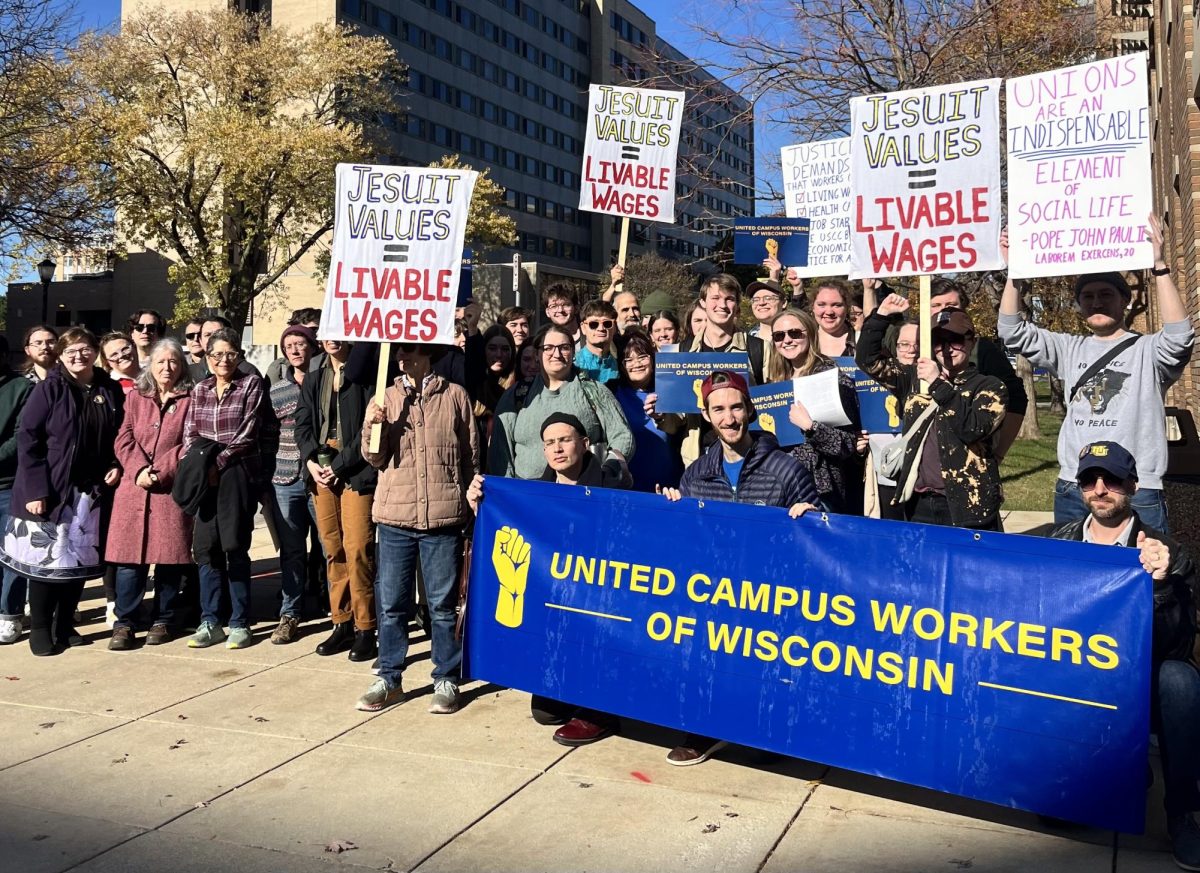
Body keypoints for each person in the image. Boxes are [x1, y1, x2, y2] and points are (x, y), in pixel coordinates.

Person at [1045, 440, 1200, 869]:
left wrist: (1164, 583)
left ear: (1131, 485)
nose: (1100, 489)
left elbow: (1179, 642)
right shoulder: (1059, 542)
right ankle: (1111, 773)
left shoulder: (1166, 550)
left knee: (1180, 681)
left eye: (1111, 479)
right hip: (1077, 675)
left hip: (1140, 674)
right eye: (1089, 480)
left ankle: (1182, 813)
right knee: (1057, 820)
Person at [660, 370, 819, 764]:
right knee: (704, 656)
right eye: (719, 410)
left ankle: (764, 731)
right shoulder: (697, 475)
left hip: (770, 592)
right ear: (706, 414)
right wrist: (669, 509)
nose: (729, 418)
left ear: (749, 409)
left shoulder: (786, 469)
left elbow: (821, 537)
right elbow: (684, 541)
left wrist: (814, 515)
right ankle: (701, 730)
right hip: (715, 590)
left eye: (735, 407)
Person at [997, 218, 1193, 531]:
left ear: (1124, 301)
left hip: (1135, 487)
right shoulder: (1068, 348)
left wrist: (1158, 266)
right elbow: (1012, 332)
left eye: (1106, 294)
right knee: (1073, 572)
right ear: (1079, 305)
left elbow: (1179, 336)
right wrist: (1014, 274)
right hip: (1076, 485)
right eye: (1087, 296)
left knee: (1147, 574)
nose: (1096, 301)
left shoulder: (1148, 350)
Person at [466, 411, 630, 744]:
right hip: (554, 602)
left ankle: (599, 709)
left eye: (565, 440)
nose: (557, 449)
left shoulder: (612, 485)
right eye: (550, 443)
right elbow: (506, 528)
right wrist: (479, 504)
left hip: (597, 603)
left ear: (584, 444)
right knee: (546, 712)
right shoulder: (533, 495)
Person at [356, 342, 479, 714]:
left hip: (443, 516)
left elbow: (470, 453)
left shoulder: (456, 396)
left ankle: (446, 676)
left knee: (442, 606)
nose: (404, 358)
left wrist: (471, 500)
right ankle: (389, 677)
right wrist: (373, 426)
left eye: (411, 351)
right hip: (395, 517)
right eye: (400, 353)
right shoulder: (385, 398)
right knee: (392, 604)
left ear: (429, 355)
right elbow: (374, 458)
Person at [1, 328, 124, 656]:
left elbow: (117, 434)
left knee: (77, 563)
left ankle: (64, 624)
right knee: (46, 564)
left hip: (90, 493)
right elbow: (28, 439)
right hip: (50, 491)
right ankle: (40, 627)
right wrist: (36, 490)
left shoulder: (108, 388)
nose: (78, 356)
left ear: (95, 350)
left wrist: (116, 462)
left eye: (85, 349)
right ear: (61, 355)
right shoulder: (50, 389)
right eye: (71, 351)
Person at [858, 296, 1006, 530]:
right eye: (938, 341)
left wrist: (938, 384)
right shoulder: (913, 379)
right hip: (918, 502)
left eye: (955, 340)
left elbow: (973, 430)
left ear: (971, 341)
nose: (946, 348)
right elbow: (868, 360)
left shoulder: (990, 386)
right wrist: (881, 316)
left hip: (968, 505)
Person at [106, 339, 194, 650]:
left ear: (181, 366)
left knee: (168, 559)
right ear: (150, 366)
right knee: (130, 561)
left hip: (169, 490)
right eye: (160, 362)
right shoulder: (136, 399)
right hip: (134, 488)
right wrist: (140, 469)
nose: (167, 367)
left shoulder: (191, 399)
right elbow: (124, 437)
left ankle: (163, 619)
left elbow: (190, 441)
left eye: (173, 361)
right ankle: (125, 622)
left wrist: (161, 471)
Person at [295, 336, 378, 661]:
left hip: (354, 472)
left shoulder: (366, 378)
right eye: (327, 331)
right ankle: (341, 620)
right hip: (321, 471)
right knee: (333, 549)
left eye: (339, 330)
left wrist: (340, 465)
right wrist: (310, 461)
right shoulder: (315, 379)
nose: (332, 338)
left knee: (358, 548)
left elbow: (369, 430)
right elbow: (302, 425)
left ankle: (365, 626)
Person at [182, 328, 264, 650]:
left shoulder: (250, 385)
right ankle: (210, 620)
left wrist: (218, 462)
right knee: (206, 550)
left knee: (234, 547)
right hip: (206, 480)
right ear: (208, 356)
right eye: (217, 354)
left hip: (236, 475)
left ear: (239, 356)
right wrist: (202, 465)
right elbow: (190, 431)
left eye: (230, 354)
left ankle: (240, 622)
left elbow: (249, 431)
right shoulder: (200, 390)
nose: (224, 360)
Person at [490, 324, 634, 481]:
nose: (556, 354)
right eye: (548, 348)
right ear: (537, 354)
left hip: (581, 494)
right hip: (527, 495)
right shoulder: (516, 395)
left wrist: (607, 471)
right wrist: (507, 491)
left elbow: (622, 436)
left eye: (564, 347)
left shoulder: (594, 391)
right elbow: (500, 450)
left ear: (573, 352)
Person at [767, 309, 864, 514]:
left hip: (820, 490)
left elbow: (848, 444)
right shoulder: (776, 379)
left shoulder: (831, 377)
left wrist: (811, 427)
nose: (787, 340)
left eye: (794, 333)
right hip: (781, 483)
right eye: (779, 335)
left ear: (809, 333)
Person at [924, 280, 1028, 461]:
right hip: (925, 466)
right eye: (936, 305)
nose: (942, 310)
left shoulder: (982, 350)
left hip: (968, 464)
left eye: (951, 305)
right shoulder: (917, 346)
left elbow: (1016, 398)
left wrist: (999, 452)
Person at [263, 325, 319, 645]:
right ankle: (290, 613)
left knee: (328, 548)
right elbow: (268, 437)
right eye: (289, 346)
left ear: (312, 347)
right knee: (292, 551)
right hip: (285, 477)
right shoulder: (276, 390)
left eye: (301, 344)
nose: (296, 350)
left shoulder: (324, 384)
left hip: (321, 478)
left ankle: (336, 608)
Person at [613, 329, 683, 493]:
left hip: (669, 486)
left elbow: (680, 426)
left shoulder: (668, 389)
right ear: (622, 366)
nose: (636, 364)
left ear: (652, 360)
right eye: (628, 360)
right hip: (629, 487)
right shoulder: (613, 394)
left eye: (642, 357)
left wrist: (662, 417)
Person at [0, 338, 33, 644]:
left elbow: (20, 436)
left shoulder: (21, 388)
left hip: (7, 485)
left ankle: (10, 614)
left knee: (11, 555)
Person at [868, 320, 918, 520]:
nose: (911, 350)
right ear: (895, 347)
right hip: (884, 476)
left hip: (920, 479)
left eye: (917, 344)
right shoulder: (879, 378)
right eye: (904, 344)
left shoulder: (934, 380)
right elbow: (866, 357)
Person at [475, 325, 517, 459]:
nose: (499, 354)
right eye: (492, 348)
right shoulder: (472, 383)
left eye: (505, 349)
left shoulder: (518, 387)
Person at [687, 274, 749, 356]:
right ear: (703, 303)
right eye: (715, 298)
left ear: (737, 305)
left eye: (729, 299)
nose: (723, 305)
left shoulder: (760, 349)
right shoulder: (680, 351)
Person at [264, 307, 322, 385]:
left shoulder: (337, 365)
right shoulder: (279, 368)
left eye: (313, 330)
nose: (308, 336)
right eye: (300, 333)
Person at [746, 279, 787, 384]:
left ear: (783, 303)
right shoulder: (744, 341)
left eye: (768, 298)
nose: (762, 303)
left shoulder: (795, 338)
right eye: (756, 299)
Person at [574, 300, 619, 385]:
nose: (601, 328)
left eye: (607, 323)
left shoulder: (621, 366)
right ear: (583, 328)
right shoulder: (573, 365)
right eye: (593, 324)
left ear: (614, 328)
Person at [812, 280, 856, 357]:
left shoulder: (860, 340)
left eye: (837, 305)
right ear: (813, 307)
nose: (829, 312)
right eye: (821, 305)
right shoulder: (802, 340)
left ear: (847, 307)